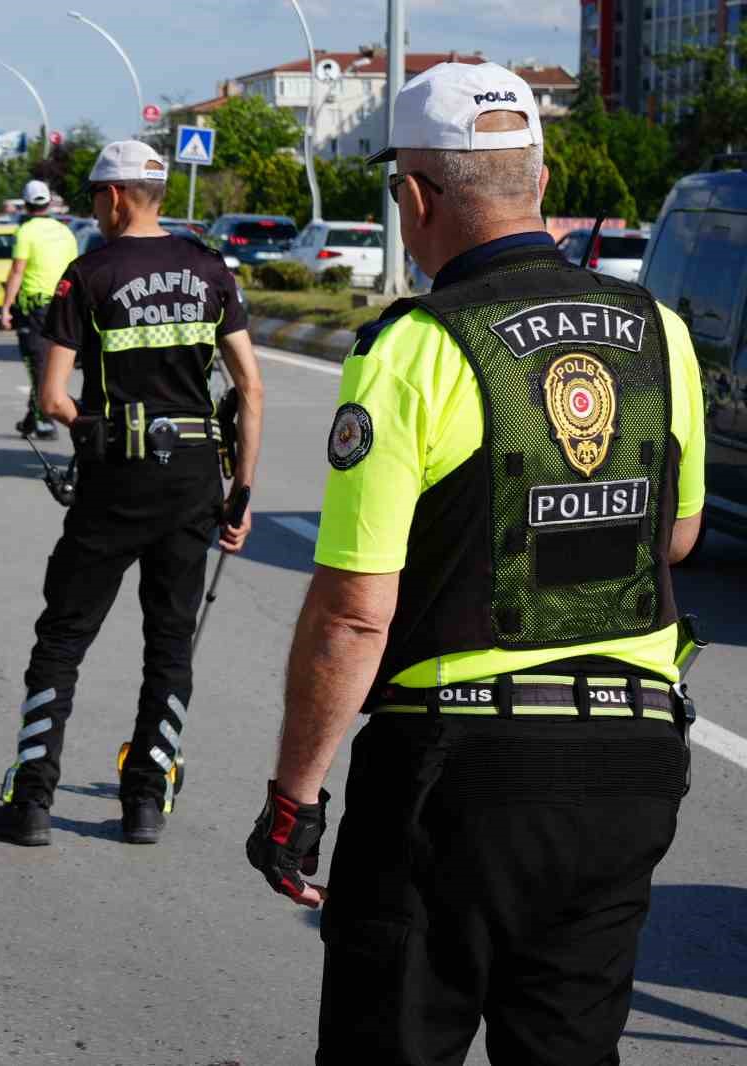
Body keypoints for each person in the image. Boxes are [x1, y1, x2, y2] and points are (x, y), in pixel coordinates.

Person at [244, 63, 706, 1065]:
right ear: (536, 180)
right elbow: (673, 536)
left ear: (415, 198)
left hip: (456, 772)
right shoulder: (656, 334)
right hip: (630, 765)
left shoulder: (412, 348)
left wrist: (296, 794)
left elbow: (354, 614)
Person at [0, 141, 264, 847]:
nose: (91, 208)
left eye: (93, 196)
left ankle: (32, 803)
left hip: (115, 480)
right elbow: (252, 390)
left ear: (115, 197)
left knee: (64, 638)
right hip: (197, 479)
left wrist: (93, 427)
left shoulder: (92, 274)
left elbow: (52, 398)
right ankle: (144, 800)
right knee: (169, 644)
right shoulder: (209, 269)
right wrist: (242, 494)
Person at [1, 179, 79, 441]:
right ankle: (31, 419)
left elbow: (17, 272)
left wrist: (5, 309)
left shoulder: (26, 232)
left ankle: (45, 420)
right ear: (48, 203)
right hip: (63, 305)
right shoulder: (65, 231)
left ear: (25, 204)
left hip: (34, 307)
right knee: (49, 364)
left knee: (37, 364)